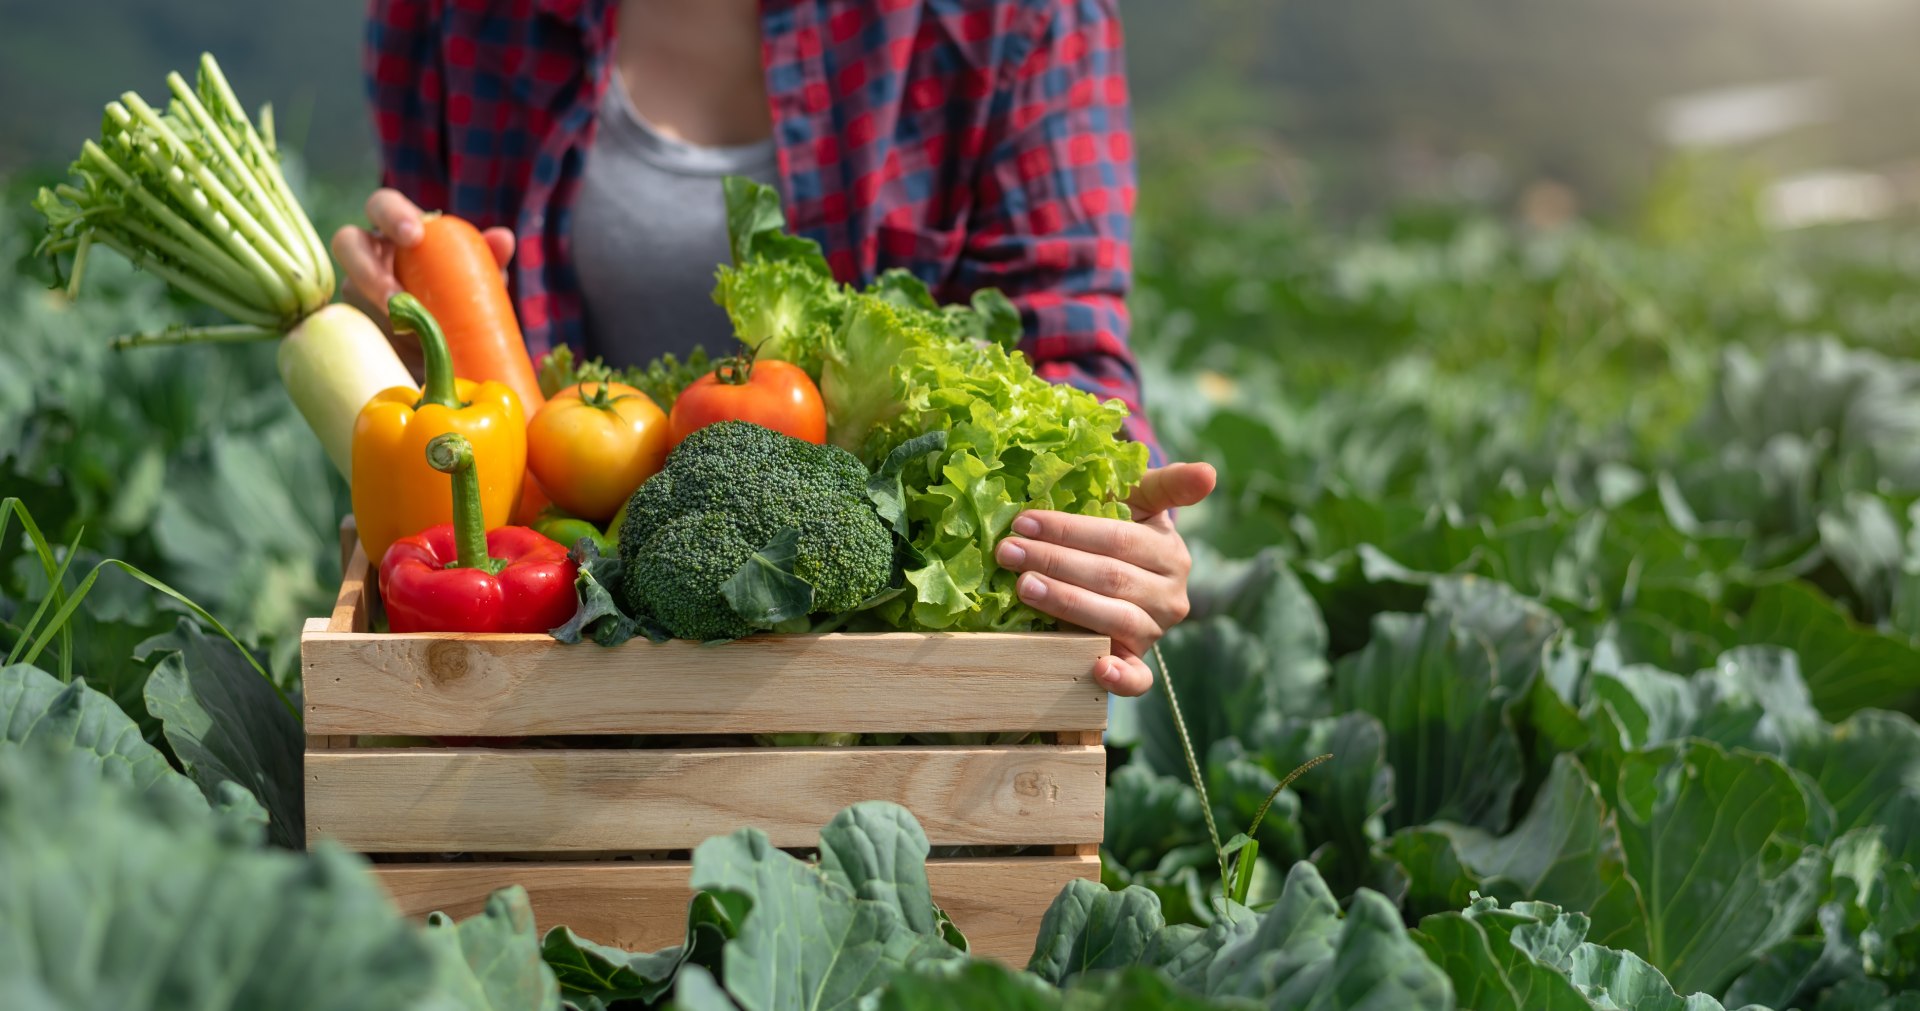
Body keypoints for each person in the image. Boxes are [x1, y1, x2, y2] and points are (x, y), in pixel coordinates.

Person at [332, 0, 1214, 696]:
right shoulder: (448, 11)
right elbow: (450, 359)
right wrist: (407, 313)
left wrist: (1109, 519)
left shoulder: (1015, 14)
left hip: (898, 696)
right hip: (544, 650)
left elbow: (1064, 338)